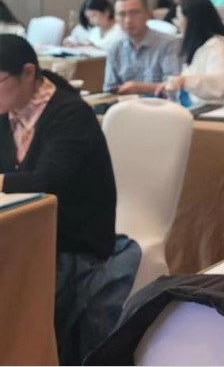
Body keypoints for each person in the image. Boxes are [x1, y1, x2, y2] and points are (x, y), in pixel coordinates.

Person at [0, 35, 137, 366]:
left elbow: (48, 183)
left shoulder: (70, 113)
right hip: (27, 236)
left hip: (73, 242)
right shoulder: (8, 110)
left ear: (28, 73)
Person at [155, 0, 224, 104]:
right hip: (201, 107)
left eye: (179, 19)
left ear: (191, 21)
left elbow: (219, 85)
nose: (178, 25)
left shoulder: (219, 48)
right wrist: (177, 82)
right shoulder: (203, 46)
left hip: (217, 111)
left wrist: (184, 81)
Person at [104, 0, 182, 95]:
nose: (128, 20)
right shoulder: (115, 49)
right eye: (122, 14)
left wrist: (140, 88)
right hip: (125, 104)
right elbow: (110, 88)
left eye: (134, 13)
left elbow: (173, 85)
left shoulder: (168, 44)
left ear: (147, 14)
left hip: (160, 103)